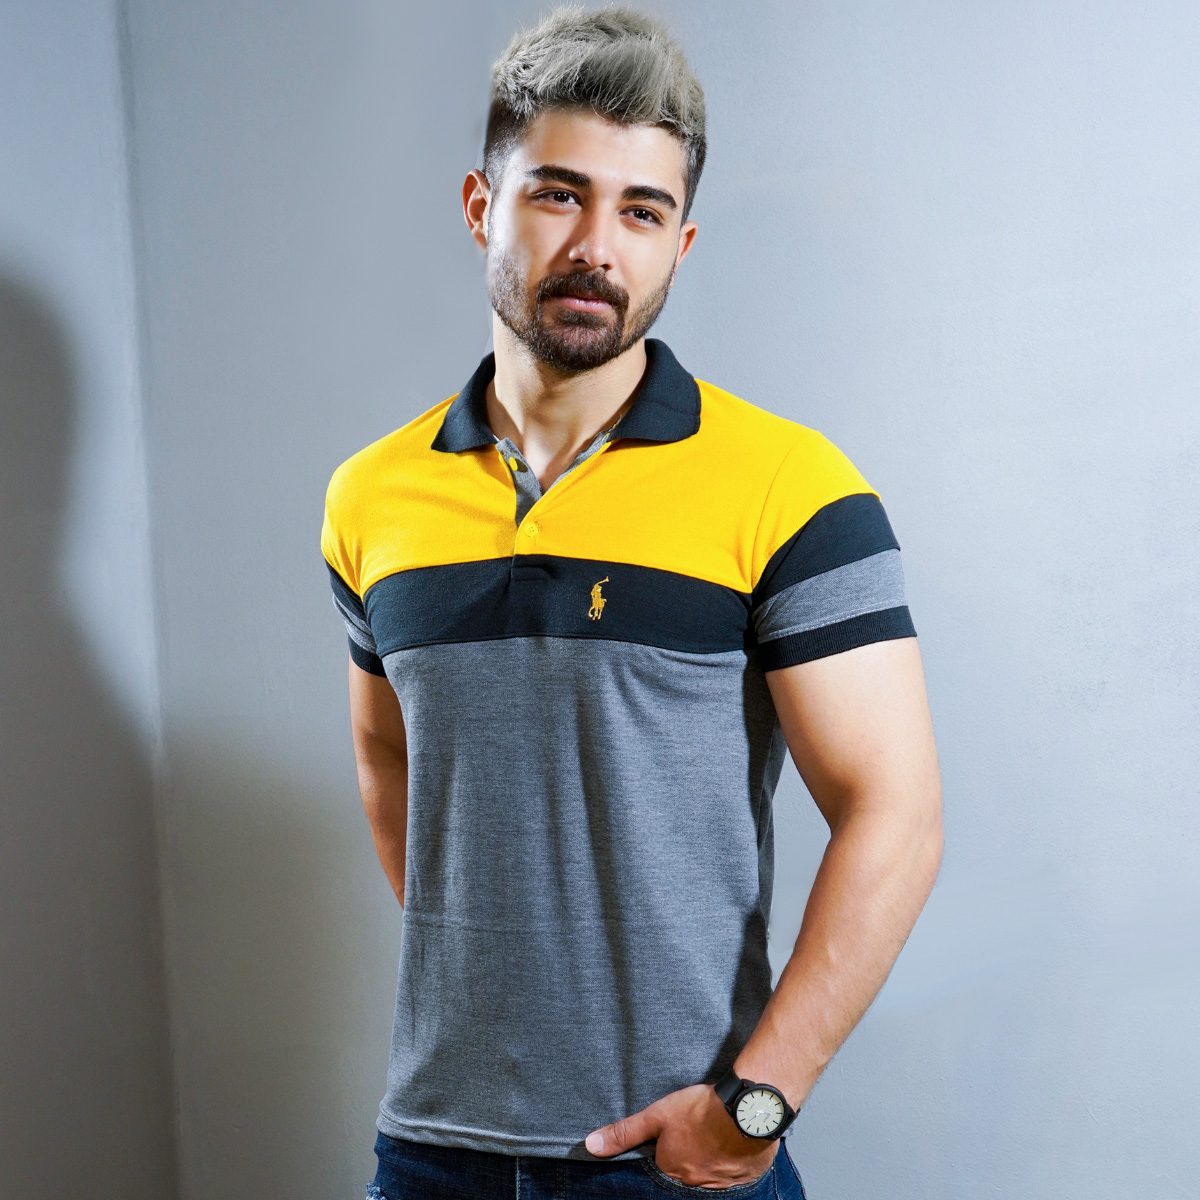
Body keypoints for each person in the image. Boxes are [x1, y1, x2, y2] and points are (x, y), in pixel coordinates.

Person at [321, 7, 943, 1198]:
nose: (596, 246)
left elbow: (897, 815)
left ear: (681, 242)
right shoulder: (371, 496)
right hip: (431, 1153)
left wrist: (757, 1103)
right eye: (557, 194)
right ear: (480, 206)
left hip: (674, 1160)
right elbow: (389, 761)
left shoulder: (790, 488)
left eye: (641, 211)